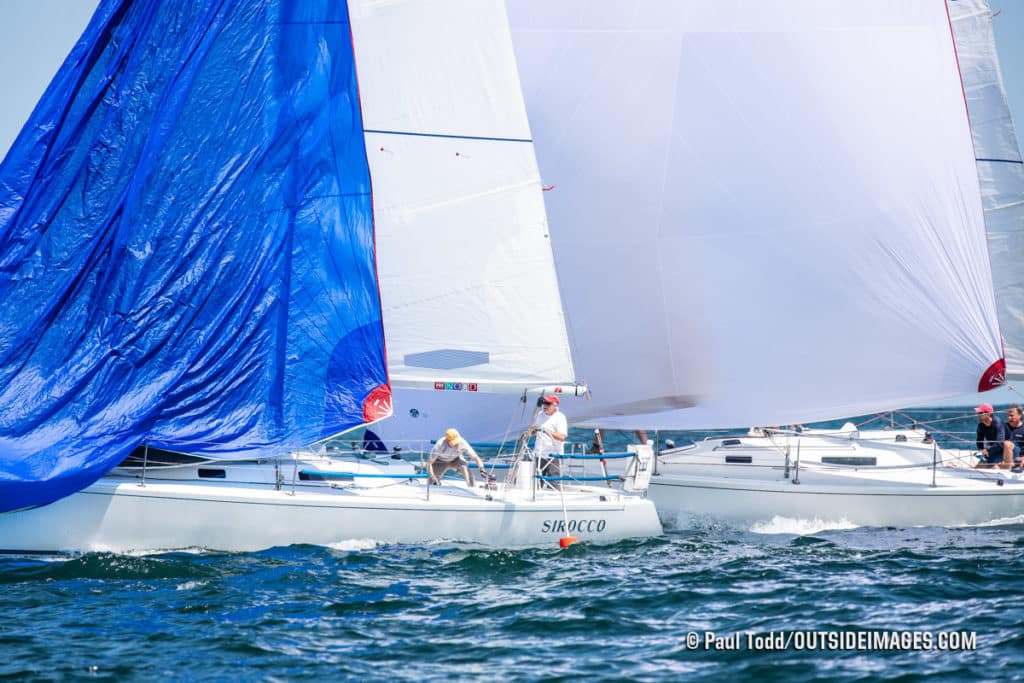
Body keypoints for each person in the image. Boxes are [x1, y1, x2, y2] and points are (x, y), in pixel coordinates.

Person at [532, 394, 568, 484]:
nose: (545, 406)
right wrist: (529, 432)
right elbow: (534, 429)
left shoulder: (560, 417)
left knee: (554, 484)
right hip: (539, 454)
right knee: (536, 484)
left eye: (548, 403)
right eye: (544, 403)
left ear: (555, 405)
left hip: (553, 456)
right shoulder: (540, 415)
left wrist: (547, 432)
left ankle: (555, 496)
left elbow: (562, 437)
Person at [974, 403, 1009, 469]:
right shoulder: (981, 425)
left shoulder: (998, 423)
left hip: (1006, 450)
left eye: (980, 413)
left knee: (993, 467)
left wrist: (987, 450)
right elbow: (979, 441)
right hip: (993, 450)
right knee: (977, 468)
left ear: (989, 414)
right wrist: (981, 450)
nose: (978, 415)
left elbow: (1000, 443)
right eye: (978, 413)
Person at [1002, 404, 1024, 469]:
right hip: (1005, 456)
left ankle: (1008, 471)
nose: (1009, 418)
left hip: (1020, 457)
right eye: (1008, 416)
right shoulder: (1004, 427)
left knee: (1007, 444)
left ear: (1019, 416)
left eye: (1011, 416)